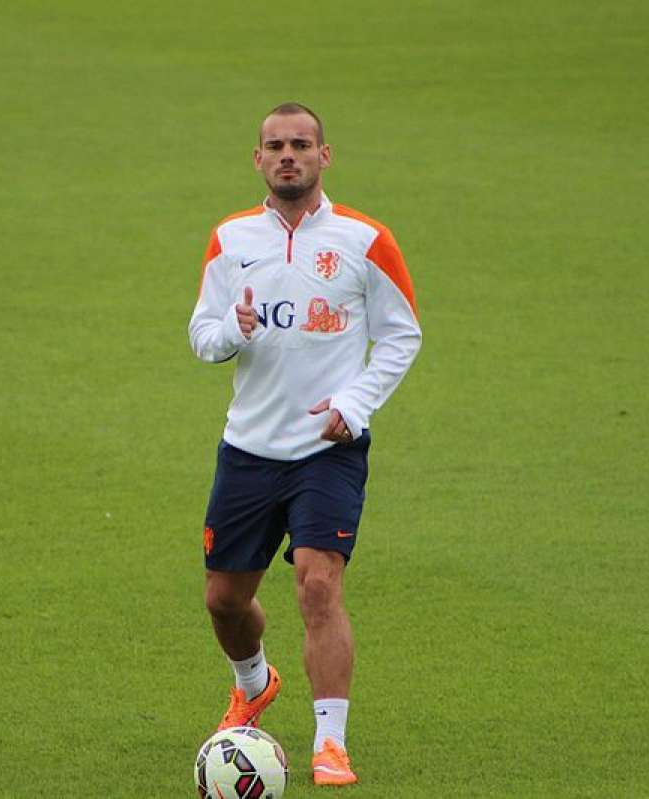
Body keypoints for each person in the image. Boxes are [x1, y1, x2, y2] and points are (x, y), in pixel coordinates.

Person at [188, 102, 421, 787]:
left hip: (329, 448)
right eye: (275, 145)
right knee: (224, 601)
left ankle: (330, 743)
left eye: (301, 144)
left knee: (318, 584)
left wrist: (355, 401)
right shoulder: (230, 240)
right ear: (257, 160)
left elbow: (403, 332)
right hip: (249, 448)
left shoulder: (364, 239)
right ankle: (254, 682)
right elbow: (202, 336)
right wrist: (234, 327)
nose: (288, 154)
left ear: (325, 156)